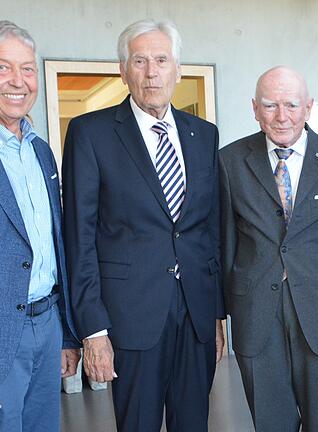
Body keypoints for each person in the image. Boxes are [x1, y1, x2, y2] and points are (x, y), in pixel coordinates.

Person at [62, 19, 224, 432]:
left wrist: (217, 315)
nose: (152, 72)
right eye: (140, 61)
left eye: (161, 60)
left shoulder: (203, 135)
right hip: (130, 320)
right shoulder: (90, 133)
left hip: (196, 315)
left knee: (195, 424)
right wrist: (93, 329)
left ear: (178, 69)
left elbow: (209, 231)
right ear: (123, 69)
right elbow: (79, 239)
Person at [0, 20, 80, 432]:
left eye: (28, 69)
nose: (19, 82)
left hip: (46, 330)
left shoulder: (41, 152)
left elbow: (53, 246)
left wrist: (64, 334)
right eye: (3, 68)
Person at [219, 66, 318, 432]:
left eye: (292, 105)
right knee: (270, 423)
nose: (282, 116)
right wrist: (220, 314)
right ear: (254, 108)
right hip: (256, 314)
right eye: (270, 105)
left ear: (308, 107)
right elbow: (224, 245)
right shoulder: (228, 162)